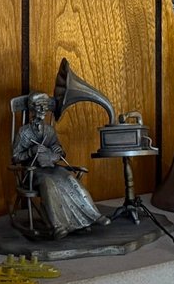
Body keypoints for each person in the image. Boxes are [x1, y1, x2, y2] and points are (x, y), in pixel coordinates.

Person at [12, 92, 105, 237]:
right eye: (39, 106)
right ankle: (58, 225)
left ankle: (93, 215)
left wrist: (58, 150)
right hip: (33, 172)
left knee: (71, 180)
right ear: (32, 108)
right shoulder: (24, 132)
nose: (43, 109)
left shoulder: (49, 130)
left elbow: (60, 151)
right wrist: (31, 151)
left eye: (45, 106)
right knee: (49, 185)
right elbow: (15, 157)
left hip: (52, 167)